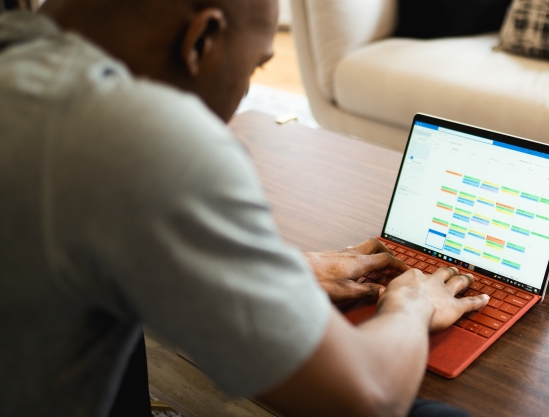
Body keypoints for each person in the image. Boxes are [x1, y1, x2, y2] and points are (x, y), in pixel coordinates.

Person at [0, 1, 490, 416]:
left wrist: (275, 271)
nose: (248, 89)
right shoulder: (142, 139)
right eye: (257, 65)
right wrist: (412, 303)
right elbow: (369, 395)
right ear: (201, 40)